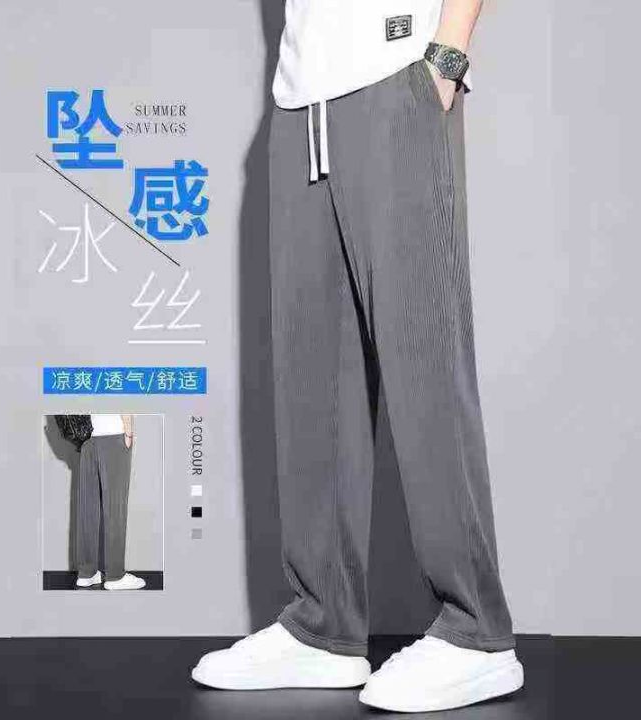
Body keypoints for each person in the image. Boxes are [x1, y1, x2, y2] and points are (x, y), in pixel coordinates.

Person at [193, 0, 524, 712]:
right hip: (299, 100)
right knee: (312, 374)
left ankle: (477, 633)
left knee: (424, 357)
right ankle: (323, 626)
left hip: (398, 70)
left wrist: (447, 58)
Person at [75, 414, 146, 591]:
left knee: (87, 508)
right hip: (113, 435)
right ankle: (115, 576)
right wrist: (128, 432)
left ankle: (86, 573)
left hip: (87, 438)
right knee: (115, 506)